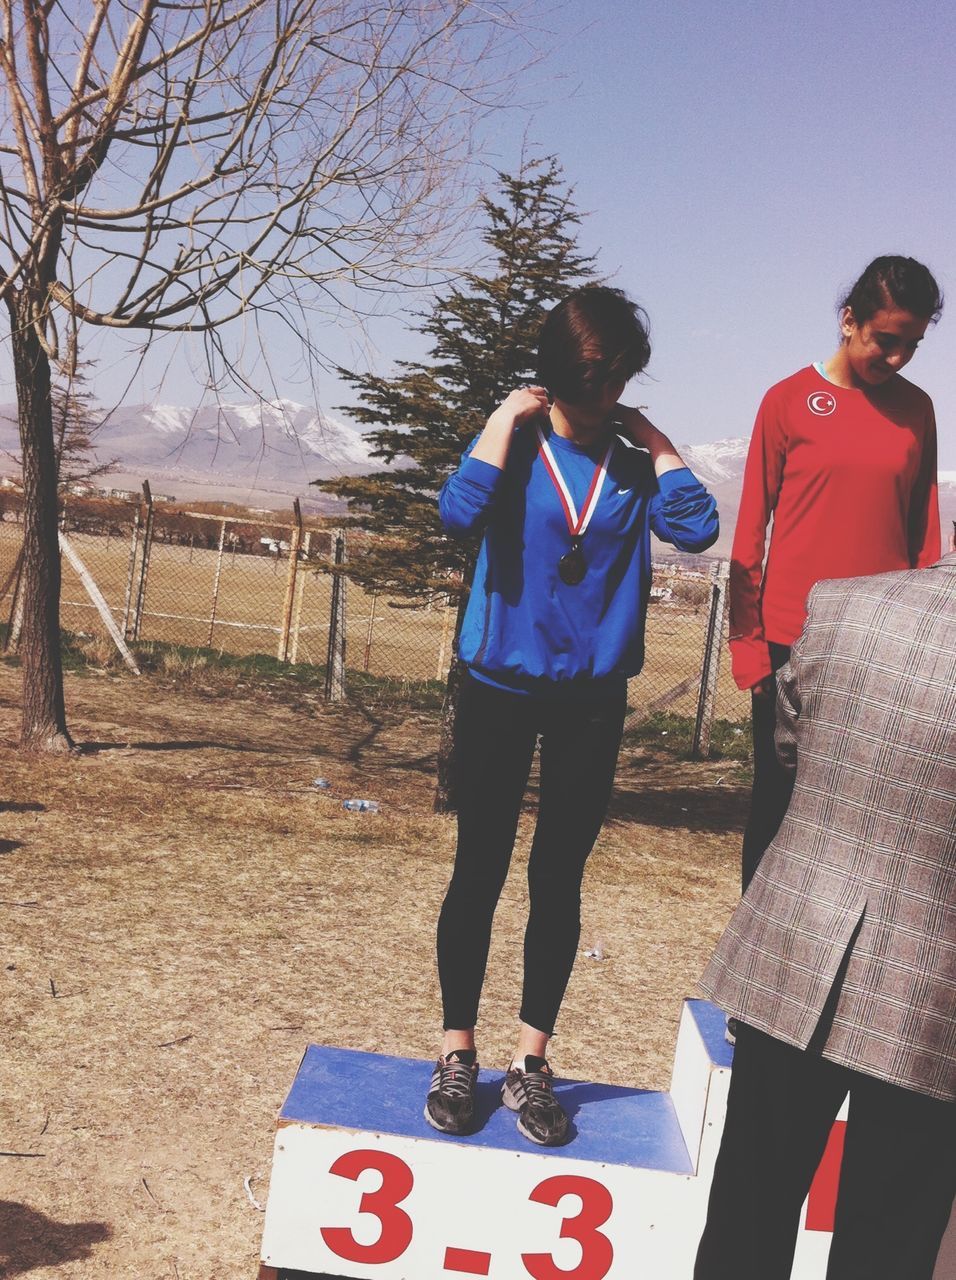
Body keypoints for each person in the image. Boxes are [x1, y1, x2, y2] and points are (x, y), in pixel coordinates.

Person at [426, 286, 719, 1145]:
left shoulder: (631, 463)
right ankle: (457, 1052)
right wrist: (498, 422)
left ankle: (530, 1061)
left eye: (622, 380)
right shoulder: (514, 454)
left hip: (590, 702)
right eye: (595, 382)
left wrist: (658, 443)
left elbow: (697, 530)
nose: (607, 401)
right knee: (478, 869)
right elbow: (456, 514)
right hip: (497, 691)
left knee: (558, 878)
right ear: (556, 379)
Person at [695, 551, 956, 1280]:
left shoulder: (839, 604)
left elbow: (789, 749)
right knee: (887, 1248)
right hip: (935, 998)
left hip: (796, 946)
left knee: (745, 1218)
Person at [729, 255, 942, 891]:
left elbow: (923, 535)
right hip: (792, 643)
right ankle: (752, 974)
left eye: (913, 345)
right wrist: (749, 649)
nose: (899, 357)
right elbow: (749, 532)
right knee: (777, 806)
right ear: (849, 320)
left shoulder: (918, 410)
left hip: (880, 650)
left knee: (864, 818)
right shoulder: (788, 401)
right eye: (887, 340)